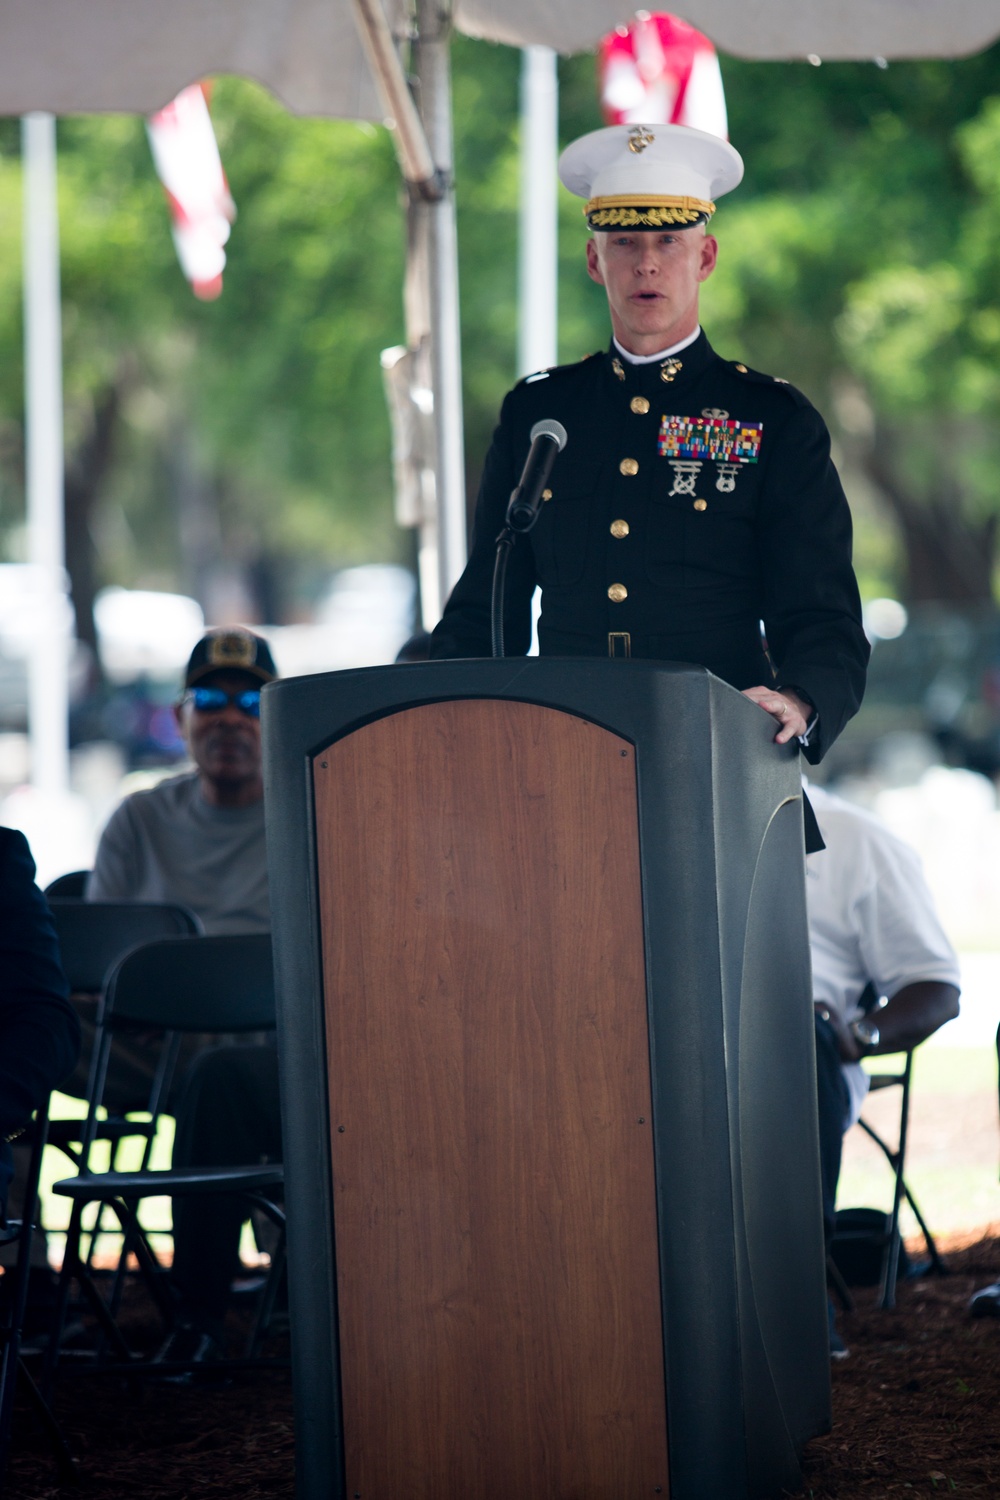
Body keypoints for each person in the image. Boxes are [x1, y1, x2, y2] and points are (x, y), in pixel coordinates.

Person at [429, 124, 870, 780]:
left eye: (668, 240)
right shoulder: (541, 415)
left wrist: (801, 699)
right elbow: (487, 603)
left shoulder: (771, 420)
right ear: (593, 260)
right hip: (561, 765)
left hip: (719, 761)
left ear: (707, 256)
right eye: (625, 242)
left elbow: (821, 614)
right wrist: (442, 718)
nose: (647, 264)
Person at [87, 627, 283, 1365]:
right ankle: (28, 1277)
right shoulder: (139, 819)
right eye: (209, 699)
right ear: (179, 719)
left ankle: (197, 1316)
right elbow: (103, 964)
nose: (229, 717)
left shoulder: (306, 813)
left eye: (251, 702)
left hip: (260, 1052)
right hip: (144, 1049)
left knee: (217, 1072)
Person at [806, 782, 961, 1356]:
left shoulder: (855, 838)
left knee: (794, 1032)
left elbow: (937, 988)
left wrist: (858, 1034)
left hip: (804, 1058)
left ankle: (793, 1303)